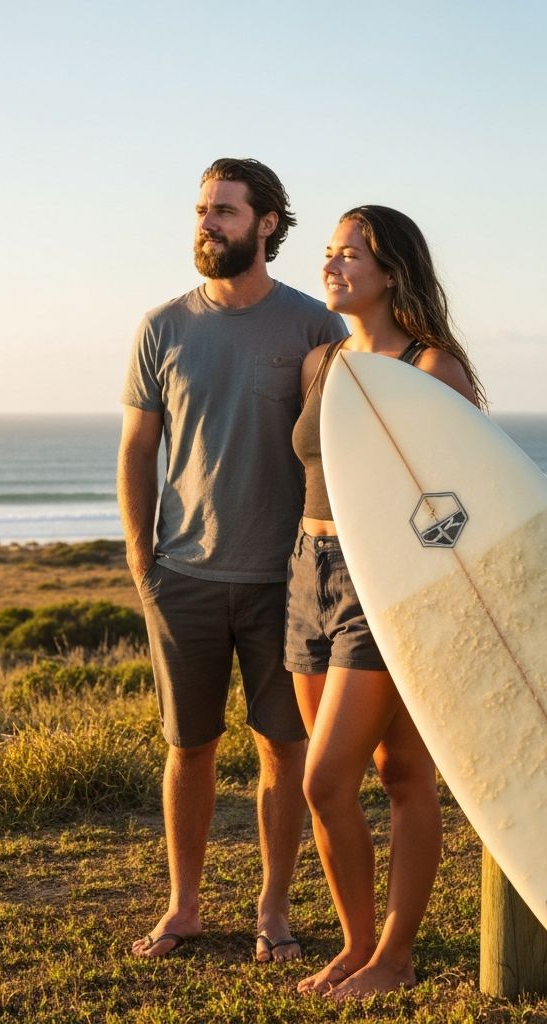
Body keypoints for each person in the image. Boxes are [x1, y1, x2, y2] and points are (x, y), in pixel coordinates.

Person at [119, 158, 345, 962]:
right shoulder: (163, 327)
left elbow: (348, 448)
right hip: (183, 576)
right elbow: (138, 449)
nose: (207, 224)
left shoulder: (317, 326)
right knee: (189, 748)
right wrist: (143, 562)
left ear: (267, 224)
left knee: (283, 751)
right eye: (202, 210)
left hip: (287, 583)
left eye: (225, 211)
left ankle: (274, 911)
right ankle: (183, 909)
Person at [285, 205, 485, 999]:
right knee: (393, 768)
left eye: (351, 254)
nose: (332, 265)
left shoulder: (433, 370)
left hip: (387, 584)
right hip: (308, 572)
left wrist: (425, 596)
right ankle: (362, 948)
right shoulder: (321, 364)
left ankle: (395, 958)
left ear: (392, 271)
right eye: (329, 252)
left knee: (331, 781)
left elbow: (465, 502)